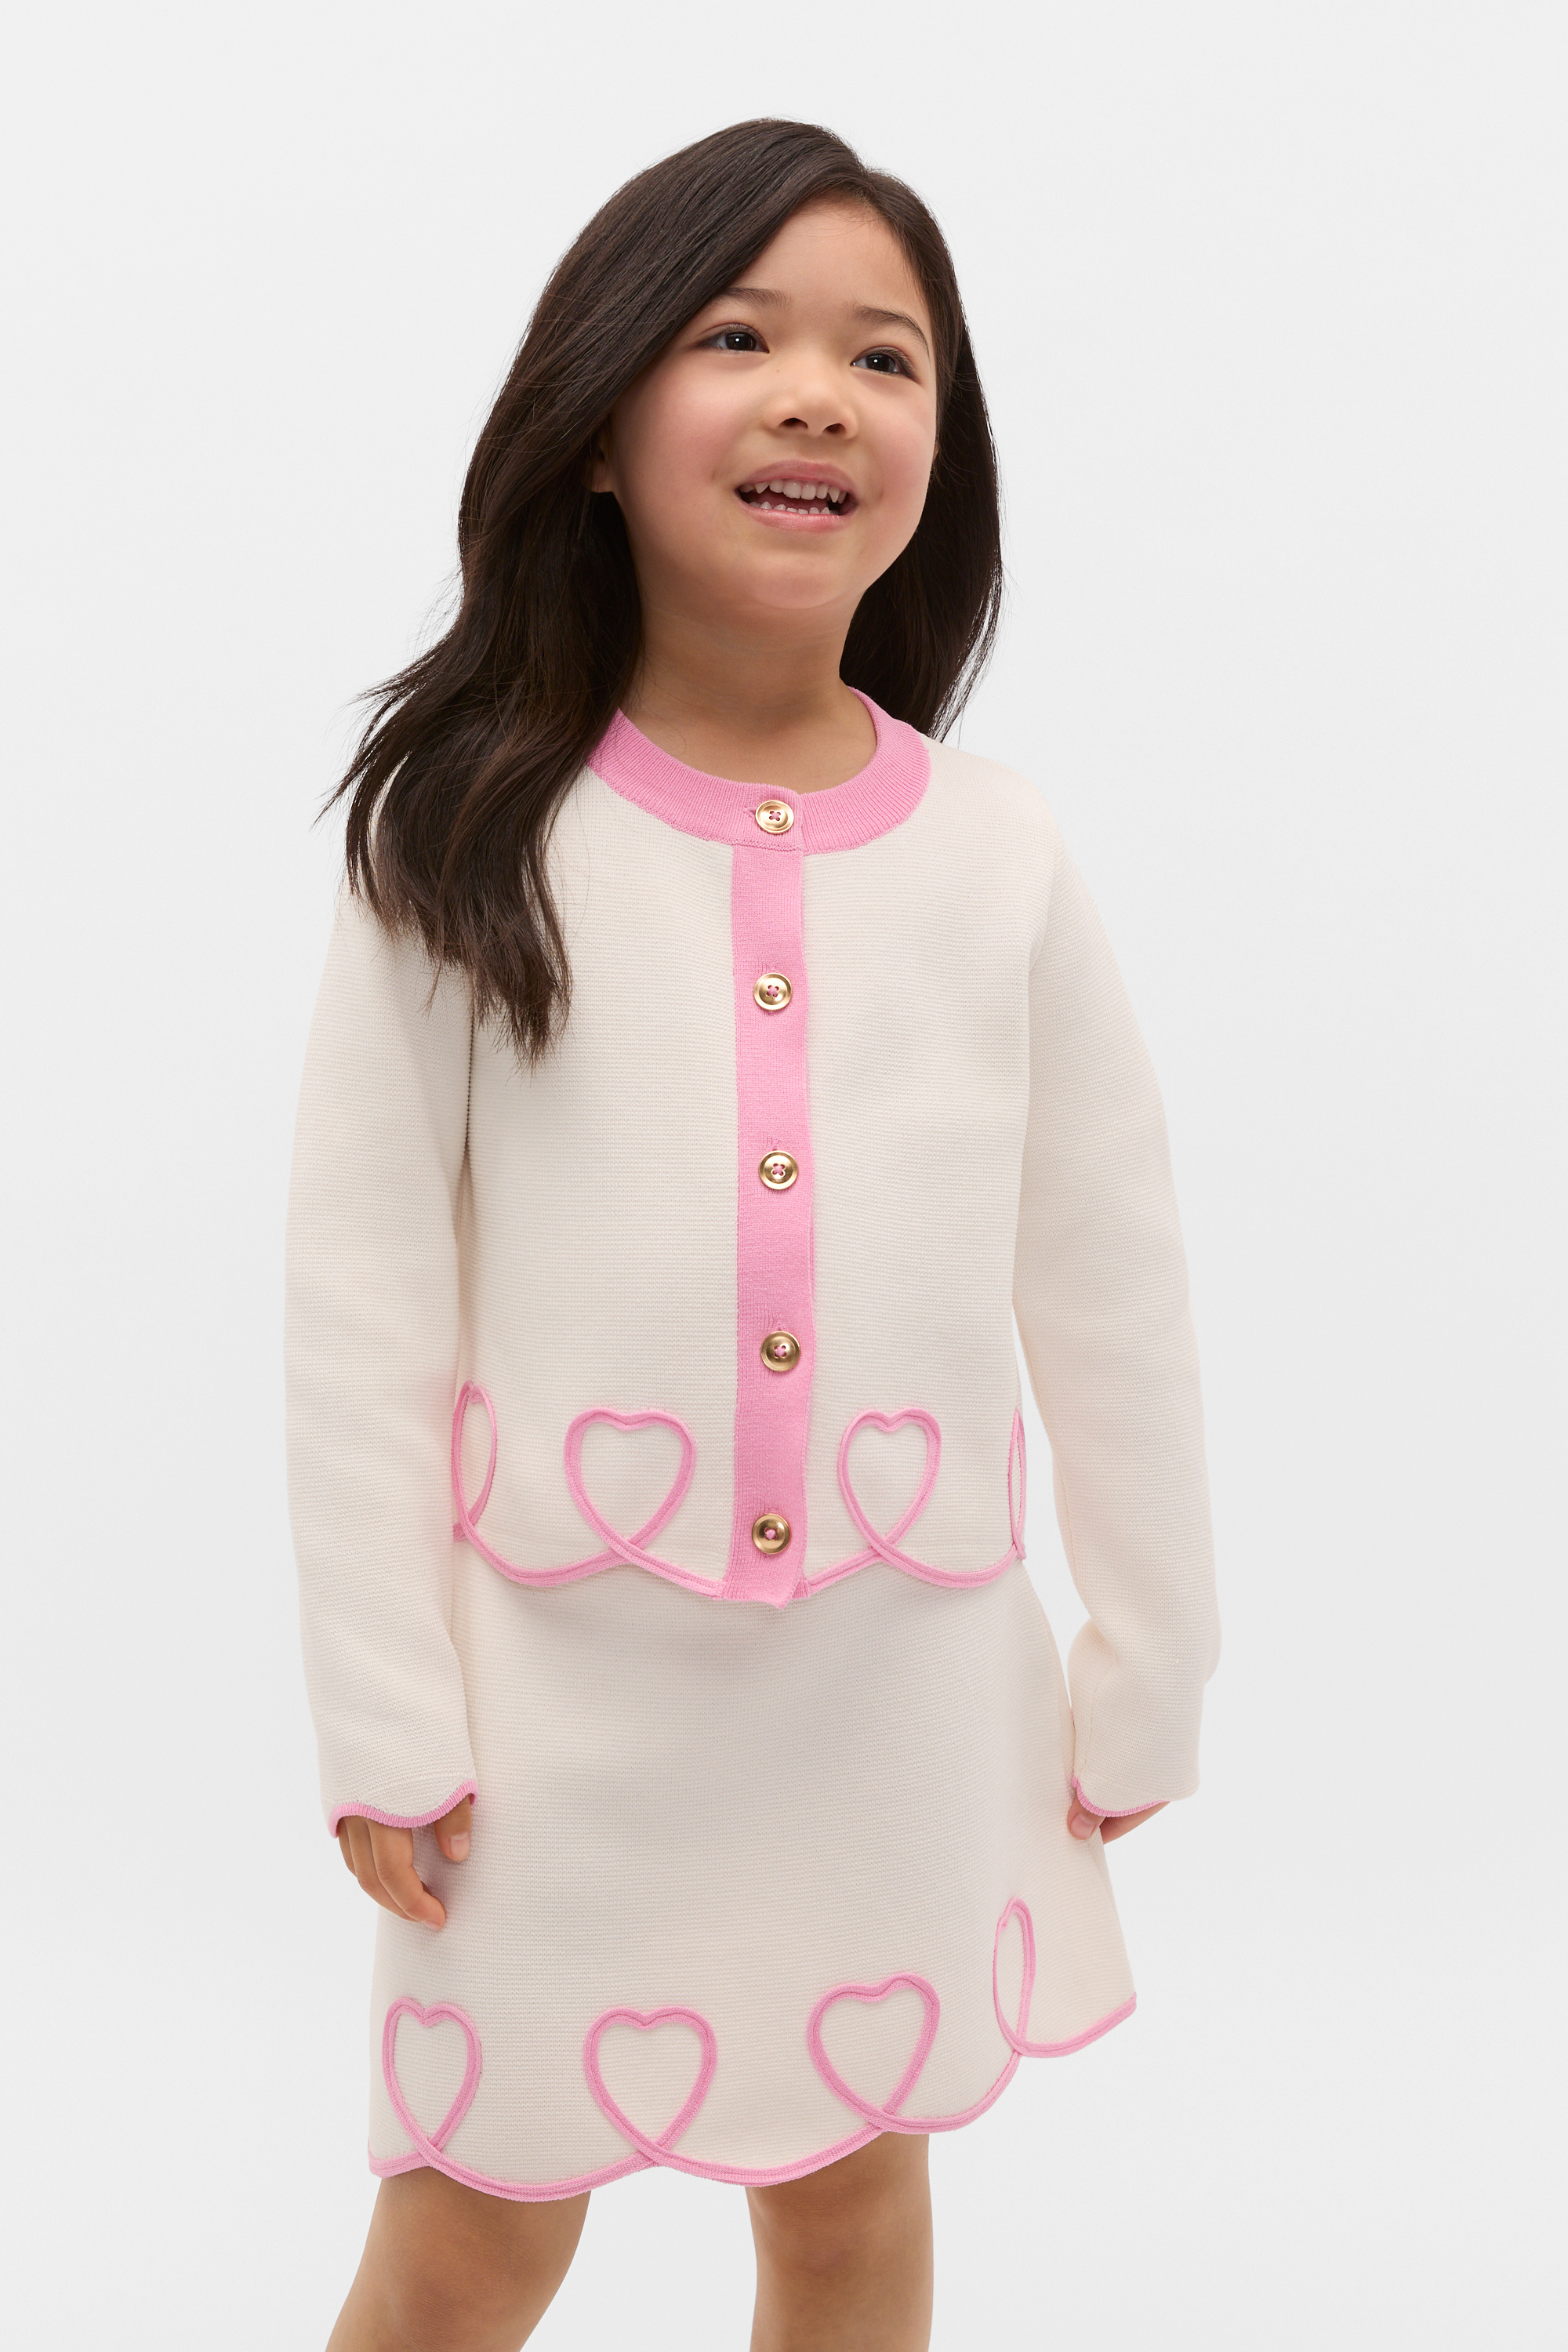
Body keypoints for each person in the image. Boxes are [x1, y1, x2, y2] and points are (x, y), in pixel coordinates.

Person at [285, 116, 1220, 2352]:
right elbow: (359, 1303)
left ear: (938, 449)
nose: (820, 396)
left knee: (851, 2202)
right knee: (473, 2233)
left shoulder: (998, 855)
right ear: (601, 423)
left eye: (885, 358)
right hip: (555, 1712)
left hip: (895, 1696)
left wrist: (1151, 1661)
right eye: (738, 337)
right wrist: (386, 1709)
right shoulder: (465, 833)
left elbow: (1111, 1283)